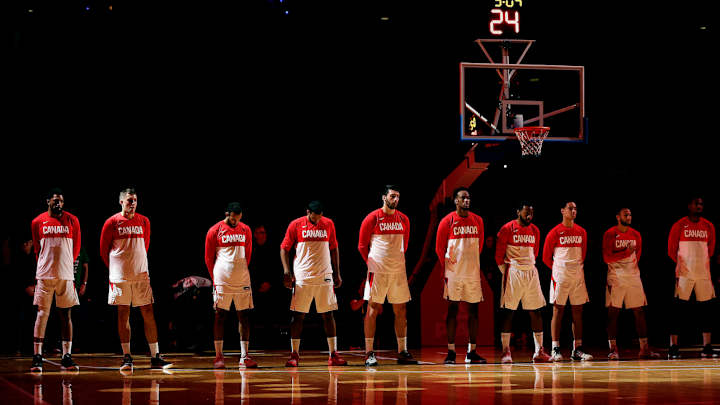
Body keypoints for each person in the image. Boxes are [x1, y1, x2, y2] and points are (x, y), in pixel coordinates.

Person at [100, 187, 172, 372]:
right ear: (121, 201)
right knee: (123, 314)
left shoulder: (144, 221)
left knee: (148, 312)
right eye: (129, 200)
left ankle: (155, 356)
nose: (133, 203)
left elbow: (145, 246)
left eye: (135, 200)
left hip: (141, 275)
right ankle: (127, 356)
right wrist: (116, 270)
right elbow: (103, 250)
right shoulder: (112, 222)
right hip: (120, 277)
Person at [280, 200, 347, 367]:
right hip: (303, 276)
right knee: (298, 316)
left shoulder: (329, 224)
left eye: (319, 218)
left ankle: (333, 354)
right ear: (308, 212)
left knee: (328, 314)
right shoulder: (296, 225)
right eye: (314, 217)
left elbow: (334, 247)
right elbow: (284, 248)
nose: (317, 221)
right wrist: (287, 272)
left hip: (324, 274)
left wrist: (337, 273)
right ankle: (294, 354)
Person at [358, 185, 417, 366]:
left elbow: (404, 245)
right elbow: (361, 246)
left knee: (401, 310)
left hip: (398, 271)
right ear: (384, 197)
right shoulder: (372, 218)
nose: (396, 200)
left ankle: (402, 351)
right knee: (372, 308)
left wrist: (396, 261)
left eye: (398, 197)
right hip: (378, 271)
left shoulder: (404, 219)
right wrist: (371, 264)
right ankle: (369, 353)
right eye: (392, 196)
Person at [30, 188, 82, 372]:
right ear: (48, 201)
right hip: (45, 275)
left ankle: (66, 356)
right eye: (55, 200)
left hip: (66, 275)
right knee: (42, 314)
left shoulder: (72, 220)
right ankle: (37, 356)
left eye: (60, 200)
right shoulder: (37, 221)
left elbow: (76, 248)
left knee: (66, 315)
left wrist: (66, 265)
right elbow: (37, 249)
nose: (58, 203)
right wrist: (45, 265)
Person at [434, 187, 487, 364]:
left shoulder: (478, 220)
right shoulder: (446, 221)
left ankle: (472, 352)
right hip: (454, 274)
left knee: (474, 312)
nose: (467, 201)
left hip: (472, 273)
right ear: (455, 201)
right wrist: (448, 268)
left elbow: (479, 247)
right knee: (453, 310)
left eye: (468, 198)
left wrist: (471, 264)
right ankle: (451, 352)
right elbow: (439, 248)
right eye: (463, 198)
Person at [495, 201, 551, 363]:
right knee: (509, 311)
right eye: (526, 212)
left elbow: (536, 252)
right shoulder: (507, 229)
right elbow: (499, 255)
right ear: (518, 211)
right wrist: (507, 272)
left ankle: (538, 350)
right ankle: (506, 350)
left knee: (536, 311)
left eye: (532, 213)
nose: (529, 216)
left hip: (531, 272)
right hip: (513, 271)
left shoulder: (535, 230)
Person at [204, 202, 258, 368]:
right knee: (220, 316)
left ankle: (244, 356)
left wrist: (240, 270)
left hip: (242, 279)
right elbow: (208, 257)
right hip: (222, 279)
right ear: (227, 214)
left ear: (240, 215)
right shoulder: (214, 230)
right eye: (231, 217)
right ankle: (219, 356)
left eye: (237, 217)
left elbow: (247, 255)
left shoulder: (246, 230)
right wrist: (215, 278)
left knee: (244, 316)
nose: (234, 220)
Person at [603, 207, 660, 360]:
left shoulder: (636, 235)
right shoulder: (610, 234)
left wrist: (629, 259)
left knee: (639, 311)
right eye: (625, 214)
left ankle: (644, 348)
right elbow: (607, 257)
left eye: (630, 214)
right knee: (613, 312)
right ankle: (613, 349)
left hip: (633, 276)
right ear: (617, 216)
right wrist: (625, 253)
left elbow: (637, 255)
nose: (628, 217)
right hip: (615, 276)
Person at [542, 200, 593, 361]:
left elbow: (583, 254)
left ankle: (577, 349)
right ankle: (555, 348)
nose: (574, 211)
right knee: (558, 310)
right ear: (562, 211)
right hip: (560, 275)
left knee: (578, 311)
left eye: (576, 209)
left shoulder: (582, 232)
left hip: (577, 275)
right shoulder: (555, 232)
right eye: (570, 208)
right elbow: (545, 257)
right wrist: (559, 269)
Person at [668, 196, 718, 358]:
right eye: (696, 203)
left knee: (707, 309)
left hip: (703, 274)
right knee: (678, 310)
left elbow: (711, 249)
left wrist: (701, 264)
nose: (699, 206)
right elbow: (671, 249)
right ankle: (673, 346)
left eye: (701, 204)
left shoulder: (708, 226)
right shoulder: (679, 225)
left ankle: (707, 346)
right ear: (689, 205)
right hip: (684, 274)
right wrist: (683, 266)